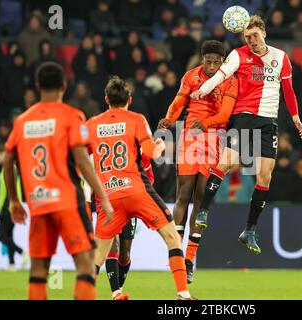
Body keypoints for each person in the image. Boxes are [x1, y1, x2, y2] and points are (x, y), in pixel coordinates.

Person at [190, 15, 302, 254]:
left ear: (264, 32)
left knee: (265, 176)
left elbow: (289, 91)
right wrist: (203, 89)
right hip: (244, 116)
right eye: (246, 37)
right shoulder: (238, 55)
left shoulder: (280, 58)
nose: (250, 40)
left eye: (253, 35)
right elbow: (221, 74)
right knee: (227, 163)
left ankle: (249, 230)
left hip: (268, 122)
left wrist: (295, 117)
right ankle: (203, 210)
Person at [3, 62, 114, 300]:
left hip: (38, 203)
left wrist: (14, 200)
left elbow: (8, 159)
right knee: (85, 265)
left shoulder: (22, 121)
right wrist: (102, 197)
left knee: (38, 271)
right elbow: (83, 160)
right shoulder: (72, 116)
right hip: (68, 202)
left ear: (37, 86)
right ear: (64, 85)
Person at [87, 76, 195, 300]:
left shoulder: (92, 124)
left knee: (97, 255)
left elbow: (77, 153)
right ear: (130, 99)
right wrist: (160, 145)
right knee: (172, 237)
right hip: (137, 190)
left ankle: (82, 295)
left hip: (109, 197)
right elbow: (150, 153)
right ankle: (183, 294)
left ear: (106, 99)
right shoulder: (136, 119)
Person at [157, 40, 238, 283]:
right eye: (208, 61)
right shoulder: (191, 76)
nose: (212, 66)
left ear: (222, 62)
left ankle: (191, 258)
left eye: (216, 62)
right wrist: (169, 118)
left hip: (214, 137)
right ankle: (177, 252)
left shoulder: (230, 80)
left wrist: (208, 124)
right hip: (191, 135)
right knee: (184, 194)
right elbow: (179, 102)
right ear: (202, 59)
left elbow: (225, 114)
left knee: (201, 198)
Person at [84, 153, 154, 300]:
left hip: (130, 202)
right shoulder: (99, 147)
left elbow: (149, 179)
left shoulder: (138, 152)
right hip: (107, 203)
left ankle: (119, 289)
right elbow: (88, 175)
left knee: (125, 254)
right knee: (111, 245)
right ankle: (115, 292)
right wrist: (87, 203)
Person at [0, 145, 29, 271]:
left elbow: (11, 191)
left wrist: (7, 207)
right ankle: (12, 264)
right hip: (6, 207)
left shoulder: (10, 168)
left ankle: (22, 252)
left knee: (1, 236)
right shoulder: (6, 168)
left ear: (4, 154)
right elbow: (3, 192)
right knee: (8, 235)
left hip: (9, 208)